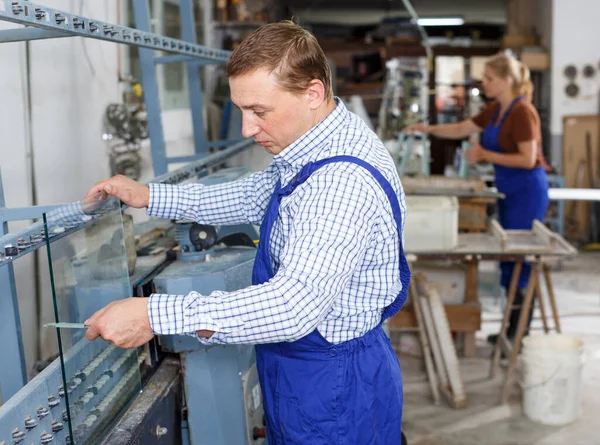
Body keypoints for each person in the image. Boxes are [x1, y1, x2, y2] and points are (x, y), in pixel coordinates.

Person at [84, 21, 410, 444]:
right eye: (241, 110)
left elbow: (292, 306)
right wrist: (151, 197)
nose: (246, 129)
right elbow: (253, 194)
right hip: (311, 375)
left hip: (335, 389)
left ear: (312, 93)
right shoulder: (316, 144)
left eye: (259, 111)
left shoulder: (341, 182)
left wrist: (153, 315)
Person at [405, 52, 549, 342]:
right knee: (507, 261)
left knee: (518, 259)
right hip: (509, 188)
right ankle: (512, 331)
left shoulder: (523, 112)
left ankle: (519, 334)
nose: (484, 83)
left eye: (489, 79)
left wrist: (485, 154)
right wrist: (428, 129)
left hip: (527, 190)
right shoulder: (496, 109)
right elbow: (463, 128)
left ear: (507, 81)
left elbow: (527, 158)